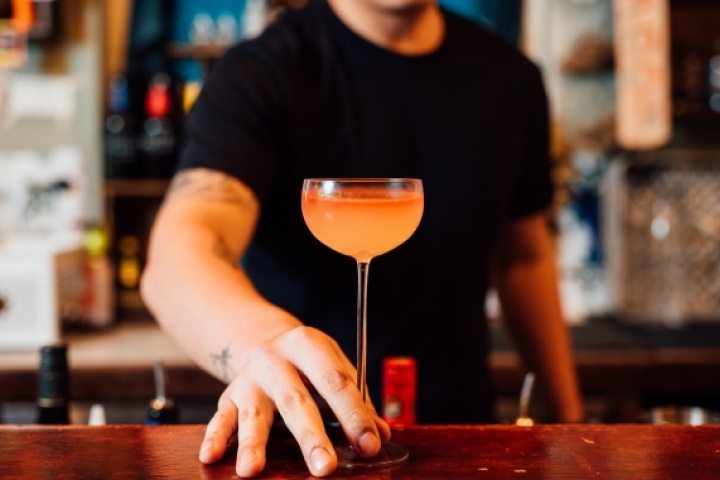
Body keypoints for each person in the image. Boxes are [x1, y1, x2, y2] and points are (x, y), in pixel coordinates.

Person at [141, 0, 585, 477]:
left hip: (463, 446)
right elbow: (180, 255)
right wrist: (264, 345)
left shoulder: (510, 77)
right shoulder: (262, 71)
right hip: (303, 452)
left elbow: (523, 259)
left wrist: (571, 421)